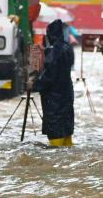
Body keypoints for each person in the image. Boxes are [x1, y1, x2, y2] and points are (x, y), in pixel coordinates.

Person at [29, 19, 74, 147]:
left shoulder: (54, 51)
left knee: (55, 130)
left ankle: (55, 160)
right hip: (66, 94)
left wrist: (35, 85)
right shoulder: (67, 48)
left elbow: (49, 76)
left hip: (54, 98)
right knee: (66, 129)